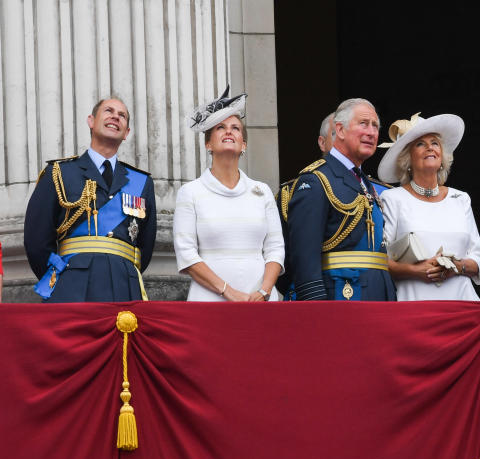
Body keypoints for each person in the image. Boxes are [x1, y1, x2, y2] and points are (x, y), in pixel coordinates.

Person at [23, 97, 156, 302]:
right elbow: (37, 240)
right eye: (108, 111)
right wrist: (60, 278)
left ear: (127, 132)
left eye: (122, 115)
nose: (115, 117)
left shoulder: (141, 182)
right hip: (71, 286)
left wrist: (124, 271)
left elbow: (145, 245)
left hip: (124, 286)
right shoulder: (59, 172)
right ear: (91, 121)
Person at [173, 87, 284, 301]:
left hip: (260, 302)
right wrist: (229, 292)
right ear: (208, 143)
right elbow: (186, 253)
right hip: (209, 301)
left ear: (243, 144)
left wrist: (264, 291)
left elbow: (275, 248)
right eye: (220, 127)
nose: (229, 131)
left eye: (235, 128)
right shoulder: (190, 193)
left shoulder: (262, 192)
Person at [280, 98, 396, 301]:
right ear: (340, 130)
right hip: (341, 296)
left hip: (378, 295)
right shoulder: (317, 180)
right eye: (363, 124)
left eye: (375, 126)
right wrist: (316, 309)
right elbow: (304, 258)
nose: (371, 132)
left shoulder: (364, 182)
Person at [378, 113, 480, 300]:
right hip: (414, 305)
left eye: (434, 143)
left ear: (442, 155)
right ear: (407, 159)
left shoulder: (460, 198)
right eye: (420, 144)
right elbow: (380, 260)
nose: (430, 148)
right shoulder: (392, 198)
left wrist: (455, 267)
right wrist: (414, 270)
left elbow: (478, 260)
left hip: (463, 305)